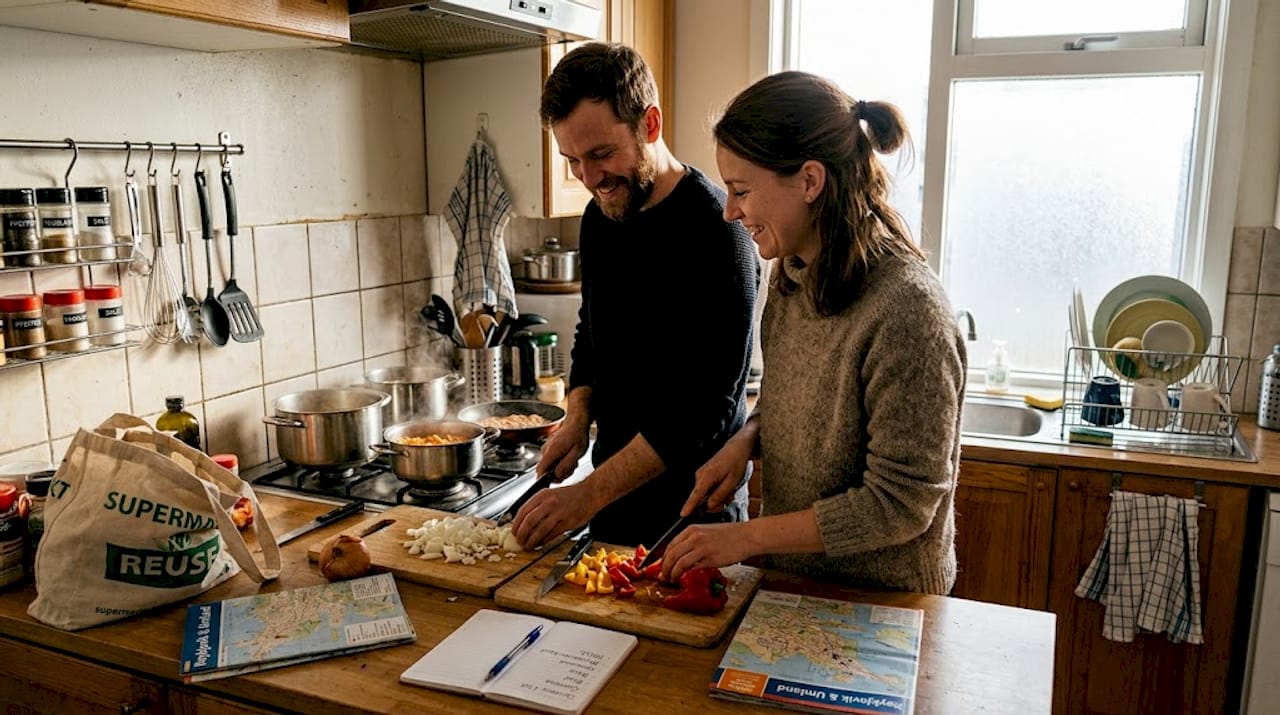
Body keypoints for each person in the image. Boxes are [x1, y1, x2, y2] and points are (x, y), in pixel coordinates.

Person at [659, 71, 967, 595]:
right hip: (796, 588)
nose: (730, 211)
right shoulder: (793, 274)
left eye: (741, 191)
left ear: (809, 181)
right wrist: (746, 442)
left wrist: (744, 539)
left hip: (886, 603)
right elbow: (790, 400)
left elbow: (899, 506)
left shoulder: (908, 312)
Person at [509, 43, 759, 549]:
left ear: (650, 124)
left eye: (601, 154)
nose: (589, 178)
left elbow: (702, 412)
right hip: (613, 510)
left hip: (694, 523)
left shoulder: (719, 230)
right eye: (573, 160)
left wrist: (584, 496)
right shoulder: (601, 216)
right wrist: (577, 417)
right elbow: (592, 330)